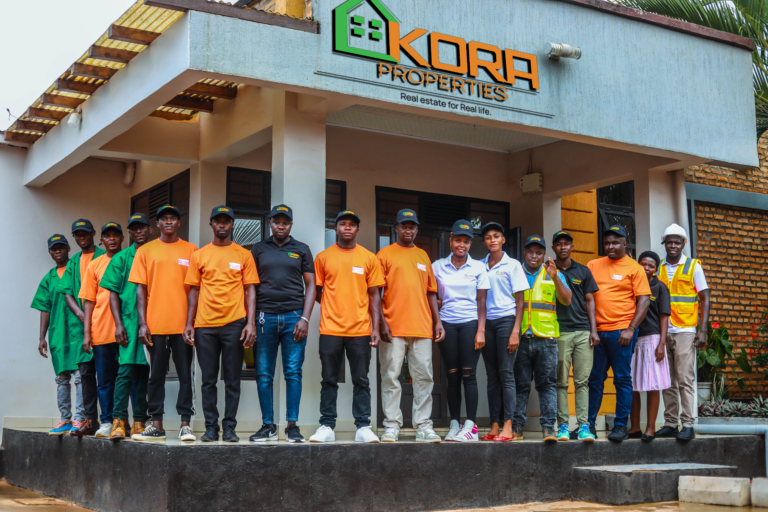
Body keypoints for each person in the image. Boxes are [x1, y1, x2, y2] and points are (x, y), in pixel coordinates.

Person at [184, 206, 259, 443]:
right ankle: (210, 428)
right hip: (205, 326)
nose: (222, 225)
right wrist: (189, 323)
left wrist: (250, 323)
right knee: (208, 380)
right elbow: (194, 291)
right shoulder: (199, 255)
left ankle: (229, 428)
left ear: (232, 224)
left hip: (234, 324)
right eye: (218, 221)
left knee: (233, 380)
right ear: (211, 225)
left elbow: (250, 290)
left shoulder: (243, 254)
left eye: (226, 221)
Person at [309, 210, 384, 444]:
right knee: (328, 379)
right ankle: (326, 426)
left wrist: (375, 327)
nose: (348, 227)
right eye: (343, 224)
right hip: (330, 329)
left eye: (352, 224)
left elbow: (375, 295)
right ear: (336, 229)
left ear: (357, 230)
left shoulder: (369, 258)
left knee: (361, 380)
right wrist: (333, 305)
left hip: (360, 330)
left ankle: (363, 426)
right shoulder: (323, 257)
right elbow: (316, 291)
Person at [129, 205, 197, 442]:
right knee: (155, 375)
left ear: (179, 222)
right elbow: (140, 289)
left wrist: (190, 322)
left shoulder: (191, 250)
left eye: (173, 218)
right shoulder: (146, 251)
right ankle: (156, 424)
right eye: (164, 219)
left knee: (186, 375)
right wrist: (143, 324)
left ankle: (185, 424)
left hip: (183, 326)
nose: (168, 222)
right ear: (157, 224)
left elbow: (194, 290)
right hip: (155, 325)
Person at [377, 209, 445, 443]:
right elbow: (376, 293)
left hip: (422, 327)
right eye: (404, 226)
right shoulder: (384, 254)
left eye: (412, 226)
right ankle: (391, 426)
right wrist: (381, 322)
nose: (408, 230)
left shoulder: (423, 256)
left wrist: (437, 321)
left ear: (416, 230)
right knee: (390, 377)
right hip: (392, 327)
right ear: (396, 228)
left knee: (424, 378)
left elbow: (431, 292)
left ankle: (424, 426)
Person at [249, 205, 315, 443]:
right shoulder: (258, 249)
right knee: (263, 374)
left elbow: (311, 286)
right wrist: (251, 321)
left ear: (291, 225)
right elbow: (250, 286)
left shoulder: (302, 249)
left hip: (293, 318)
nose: (280, 226)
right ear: (270, 223)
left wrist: (305, 318)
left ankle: (292, 426)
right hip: (264, 317)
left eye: (285, 222)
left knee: (293, 372)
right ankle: (268, 426)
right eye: (276, 222)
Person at [587, 225, 651, 442]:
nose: (610, 246)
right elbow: (587, 297)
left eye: (615, 242)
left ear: (625, 243)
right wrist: (592, 330)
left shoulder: (635, 268)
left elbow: (644, 301)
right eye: (607, 243)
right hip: (598, 334)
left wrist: (631, 329)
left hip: (621, 333)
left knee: (622, 379)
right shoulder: (593, 264)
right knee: (595, 379)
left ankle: (621, 426)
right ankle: (589, 425)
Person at [432, 220, 490, 443]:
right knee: (452, 375)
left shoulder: (478, 268)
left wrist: (481, 330)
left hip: (470, 324)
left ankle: (471, 427)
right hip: (447, 323)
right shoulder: (438, 266)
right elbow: (432, 296)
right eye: (458, 240)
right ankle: (455, 424)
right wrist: (437, 321)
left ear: (470, 244)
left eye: (466, 241)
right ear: (451, 241)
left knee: (469, 374)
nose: (461, 245)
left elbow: (482, 302)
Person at [513, 235, 572, 443]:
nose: (534, 256)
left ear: (544, 254)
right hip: (519, 338)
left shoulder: (553, 273)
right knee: (519, 385)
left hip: (546, 339)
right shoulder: (514, 272)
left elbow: (567, 300)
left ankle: (548, 429)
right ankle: (516, 428)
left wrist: (556, 278)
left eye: (539, 253)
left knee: (547, 385)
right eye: (530, 251)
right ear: (524, 252)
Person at [655, 224, 710, 442]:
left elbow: (705, 298)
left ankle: (688, 424)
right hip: (662, 332)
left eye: (677, 242)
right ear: (664, 243)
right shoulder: (658, 268)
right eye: (669, 241)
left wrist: (703, 330)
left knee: (685, 379)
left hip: (685, 331)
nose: (673, 245)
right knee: (667, 380)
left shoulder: (693, 266)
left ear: (683, 244)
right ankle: (670, 423)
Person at [100, 213, 152, 441]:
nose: (138, 231)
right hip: (129, 323)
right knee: (126, 371)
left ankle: (140, 420)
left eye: (142, 227)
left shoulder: (155, 254)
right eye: (134, 228)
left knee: (145, 373)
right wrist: (118, 324)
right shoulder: (121, 258)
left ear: (150, 230)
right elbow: (113, 293)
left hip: (154, 321)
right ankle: (119, 420)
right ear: (129, 233)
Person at [479, 222, 528, 442]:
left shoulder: (513, 265)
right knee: (492, 376)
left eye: (496, 236)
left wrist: (516, 330)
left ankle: (508, 426)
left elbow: (521, 302)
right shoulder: (480, 265)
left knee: (507, 374)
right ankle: (494, 426)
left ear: (503, 240)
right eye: (488, 237)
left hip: (507, 321)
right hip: (487, 323)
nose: (493, 240)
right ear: (485, 241)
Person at [31, 234, 84, 436]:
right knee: (62, 377)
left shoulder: (77, 269)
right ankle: (65, 419)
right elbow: (45, 308)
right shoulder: (49, 278)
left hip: (78, 332)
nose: (58, 251)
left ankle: (80, 418)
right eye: (54, 249)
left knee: (80, 376)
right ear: (50, 252)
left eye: (61, 247)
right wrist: (41, 337)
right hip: (58, 334)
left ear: (68, 248)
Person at [77, 222, 124, 438]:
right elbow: (88, 301)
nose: (112, 239)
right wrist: (87, 333)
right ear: (101, 240)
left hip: (127, 331)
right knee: (105, 380)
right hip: (102, 331)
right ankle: (106, 421)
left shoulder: (131, 260)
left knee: (130, 378)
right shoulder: (94, 265)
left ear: (122, 238)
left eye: (116, 235)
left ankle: (128, 421)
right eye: (108, 236)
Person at [551, 231, 599, 443]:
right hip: (559, 331)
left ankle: (583, 426)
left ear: (572, 246)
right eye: (559, 244)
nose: (563, 247)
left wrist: (594, 330)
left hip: (583, 332)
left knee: (582, 381)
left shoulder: (583, 270)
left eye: (566, 243)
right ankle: (562, 425)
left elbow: (590, 301)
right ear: (553, 248)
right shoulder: (547, 270)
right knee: (561, 382)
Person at [59, 219, 105, 436]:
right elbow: (67, 292)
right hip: (81, 329)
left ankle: (113, 419)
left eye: (85, 233)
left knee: (108, 374)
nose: (81, 237)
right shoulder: (74, 262)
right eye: (77, 234)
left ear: (93, 233)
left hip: (104, 322)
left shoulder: (105, 257)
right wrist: (81, 314)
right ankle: (90, 420)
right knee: (86, 375)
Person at [628, 251, 671, 441]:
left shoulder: (660, 287)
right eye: (643, 264)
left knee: (653, 384)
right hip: (632, 338)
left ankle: (651, 428)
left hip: (652, 339)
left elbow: (664, 317)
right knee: (631, 385)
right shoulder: (631, 283)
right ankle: (635, 427)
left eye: (651, 266)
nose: (646, 268)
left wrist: (662, 343)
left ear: (656, 269)